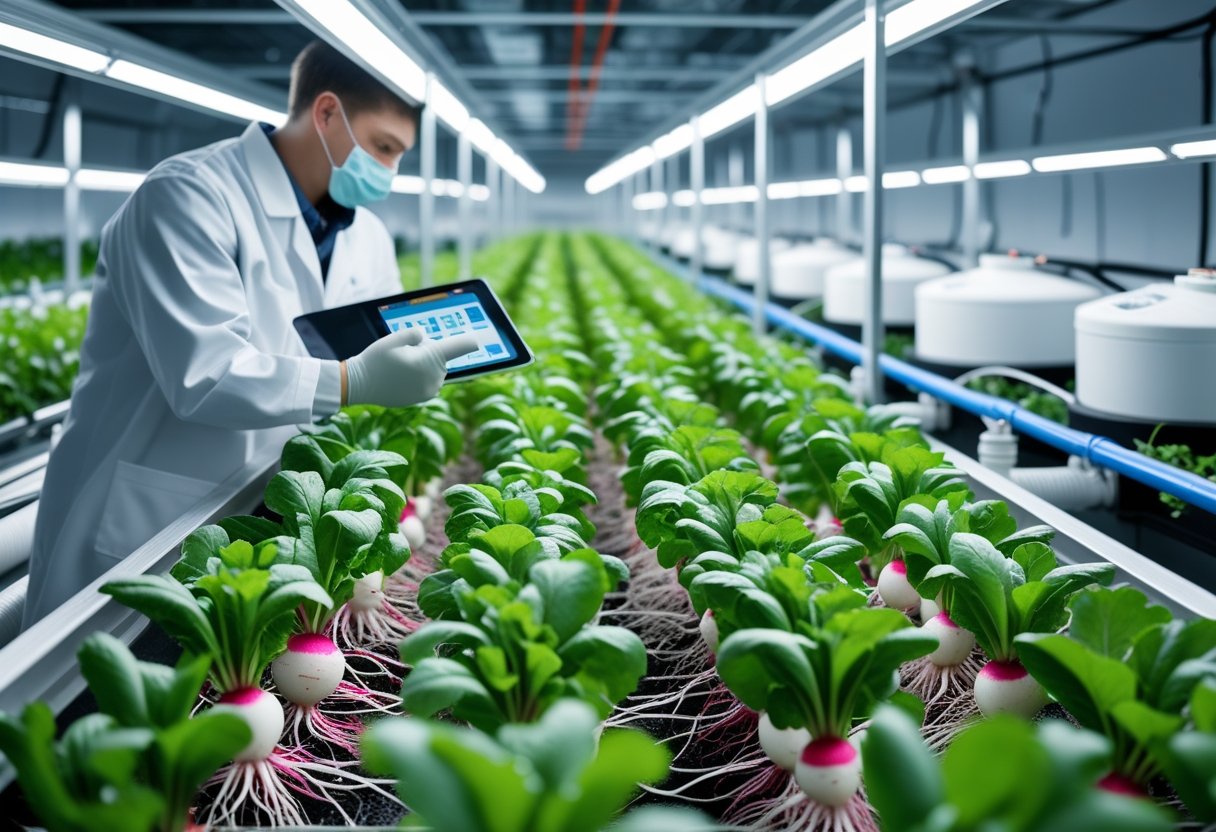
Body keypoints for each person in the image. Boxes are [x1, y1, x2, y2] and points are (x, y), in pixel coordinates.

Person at [22, 41, 476, 627]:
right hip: (147, 518)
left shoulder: (368, 237)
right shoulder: (187, 196)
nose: (387, 170)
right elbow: (204, 376)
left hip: (265, 505)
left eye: (398, 156)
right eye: (383, 147)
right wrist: (352, 380)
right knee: (97, 695)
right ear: (327, 113)